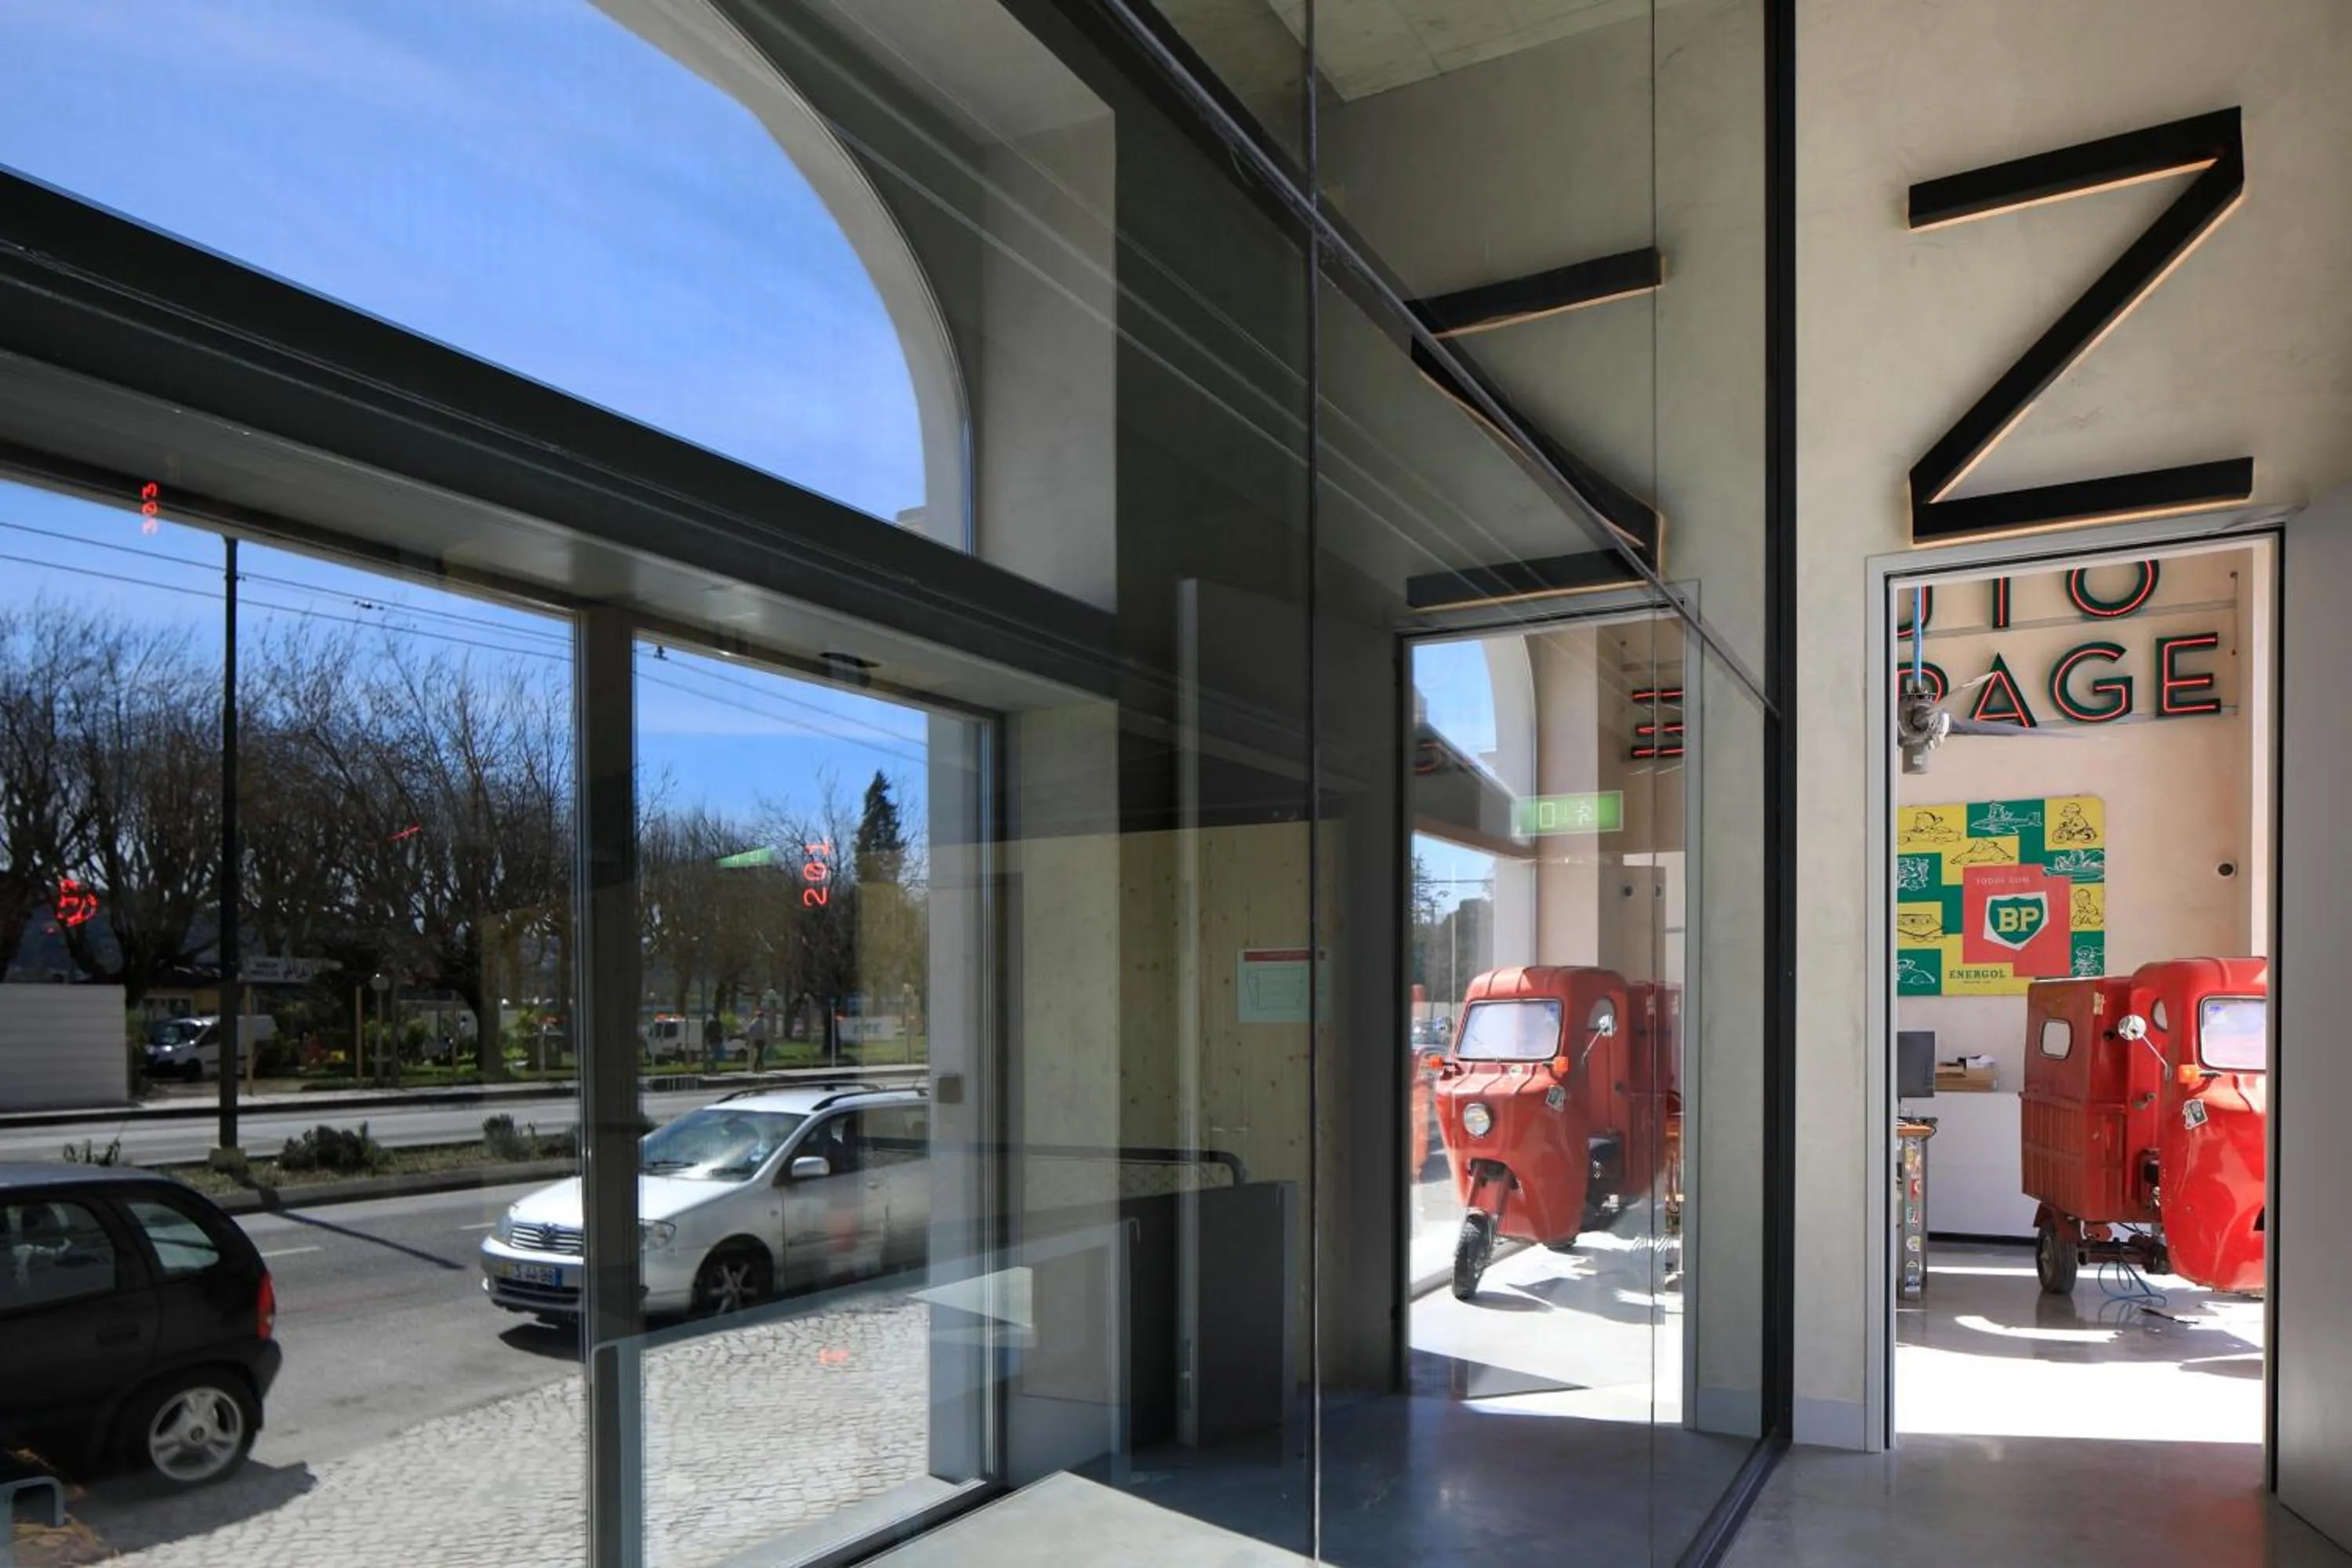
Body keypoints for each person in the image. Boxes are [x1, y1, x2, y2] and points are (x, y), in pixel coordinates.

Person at [747, 1009, 771, 1075]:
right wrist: (767, 1040)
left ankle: (761, 1067)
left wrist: (752, 1037)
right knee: (760, 1054)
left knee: (759, 1053)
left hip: (755, 1039)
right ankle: (757, 1067)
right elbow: (765, 1032)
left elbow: (749, 1031)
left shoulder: (753, 1022)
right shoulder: (764, 1023)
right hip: (762, 1039)